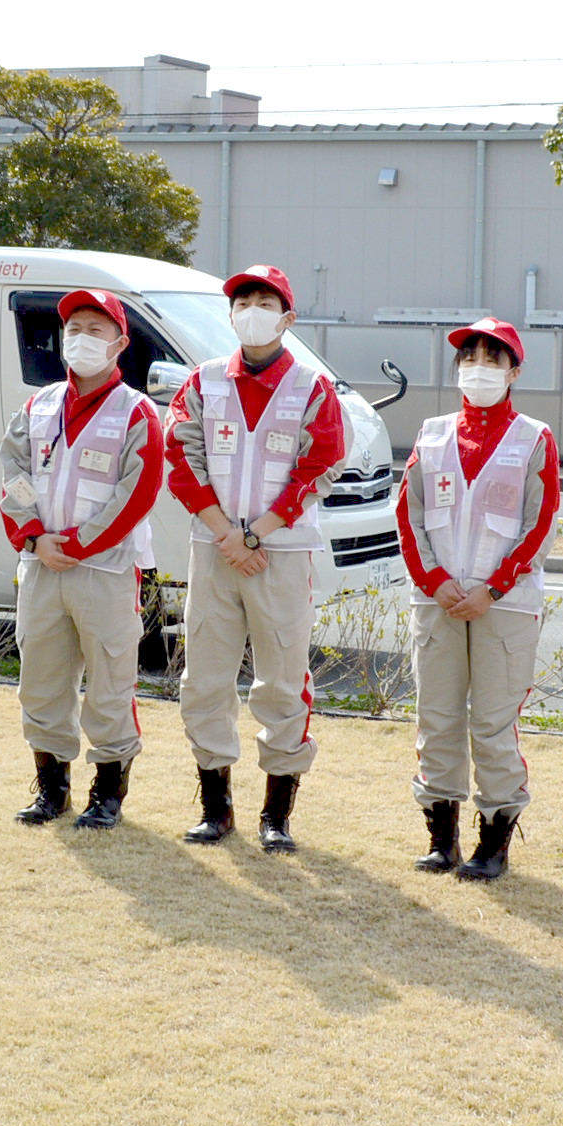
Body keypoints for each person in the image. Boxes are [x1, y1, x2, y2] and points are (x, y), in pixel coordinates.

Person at [166, 263, 349, 851]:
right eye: (242, 301)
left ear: (287, 317)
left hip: (283, 551)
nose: (251, 311)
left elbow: (319, 465)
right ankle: (216, 808)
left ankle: (277, 814)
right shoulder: (203, 382)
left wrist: (257, 534)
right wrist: (226, 533)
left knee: (283, 680)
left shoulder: (313, 389)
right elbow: (180, 455)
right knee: (205, 679)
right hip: (215, 547)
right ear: (230, 314)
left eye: (264, 302)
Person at [398, 318, 562, 880]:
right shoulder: (433, 432)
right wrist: (434, 580)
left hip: (506, 603)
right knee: (437, 716)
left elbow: (540, 524)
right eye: (470, 357)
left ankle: (493, 840)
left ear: (515, 371)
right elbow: (410, 513)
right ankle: (441, 838)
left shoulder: (534, 437)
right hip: (437, 598)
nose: (479, 368)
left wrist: (494, 587)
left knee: (492, 722)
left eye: (494, 359)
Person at [2, 287, 167, 828]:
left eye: (95, 331)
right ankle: (52, 790)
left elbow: (136, 493)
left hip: (107, 569)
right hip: (41, 564)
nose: (81, 340)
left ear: (120, 342)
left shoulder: (137, 412)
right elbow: (15, 474)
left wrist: (75, 544)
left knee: (110, 681)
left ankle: (108, 795)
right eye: (73, 330)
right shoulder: (38, 406)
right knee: (42, 681)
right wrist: (33, 536)